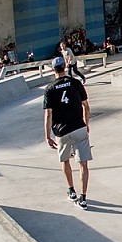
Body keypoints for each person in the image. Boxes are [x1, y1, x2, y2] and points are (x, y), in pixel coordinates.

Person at [42, 60, 92, 209]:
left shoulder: (49, 89)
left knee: (65, 161)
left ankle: (71, 191)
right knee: (83, 163)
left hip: (61, 131)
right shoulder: (76, 83)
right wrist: (86, 124)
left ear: (53, 70)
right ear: (64, 67)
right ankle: (83, 198)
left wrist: (47, 136)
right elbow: (86, 106)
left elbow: (48, 115)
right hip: (78, 127)